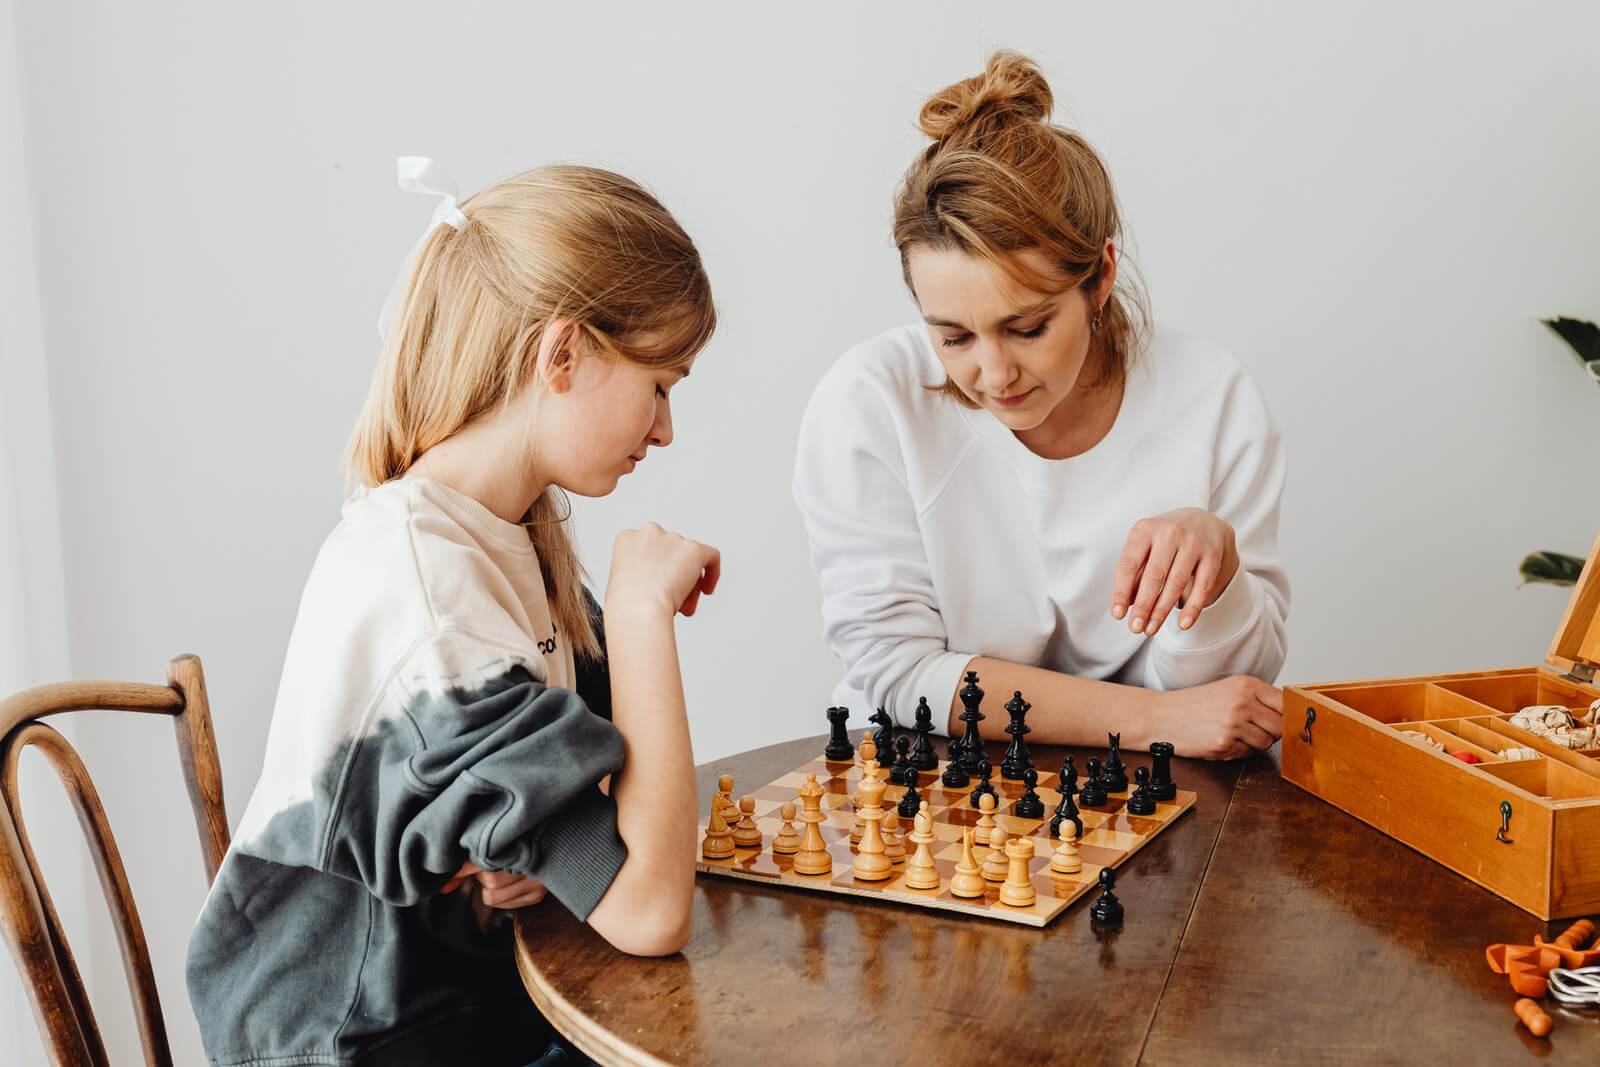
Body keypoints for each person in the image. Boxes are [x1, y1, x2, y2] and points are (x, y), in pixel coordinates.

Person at [186, 158, 720, 1066]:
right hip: (355, 1041)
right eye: (659, 383)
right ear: (562, 354)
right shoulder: (432, 602)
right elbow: (651, 906)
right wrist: (639, 616)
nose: (665, 429)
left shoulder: (505, 531)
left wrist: (497, 866)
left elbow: (602, 816)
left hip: (464, 1001)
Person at [793, 53, 1287, 760]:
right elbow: (898, 672)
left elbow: (1228, 703)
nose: (994, 374)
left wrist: (1216, 574)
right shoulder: (869, 402)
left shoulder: (1214, 398)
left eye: (1027, 328)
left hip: (1162, 797)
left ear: (1101, 277)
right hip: (930, 787)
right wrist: (1152, 720)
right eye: (953, 335)